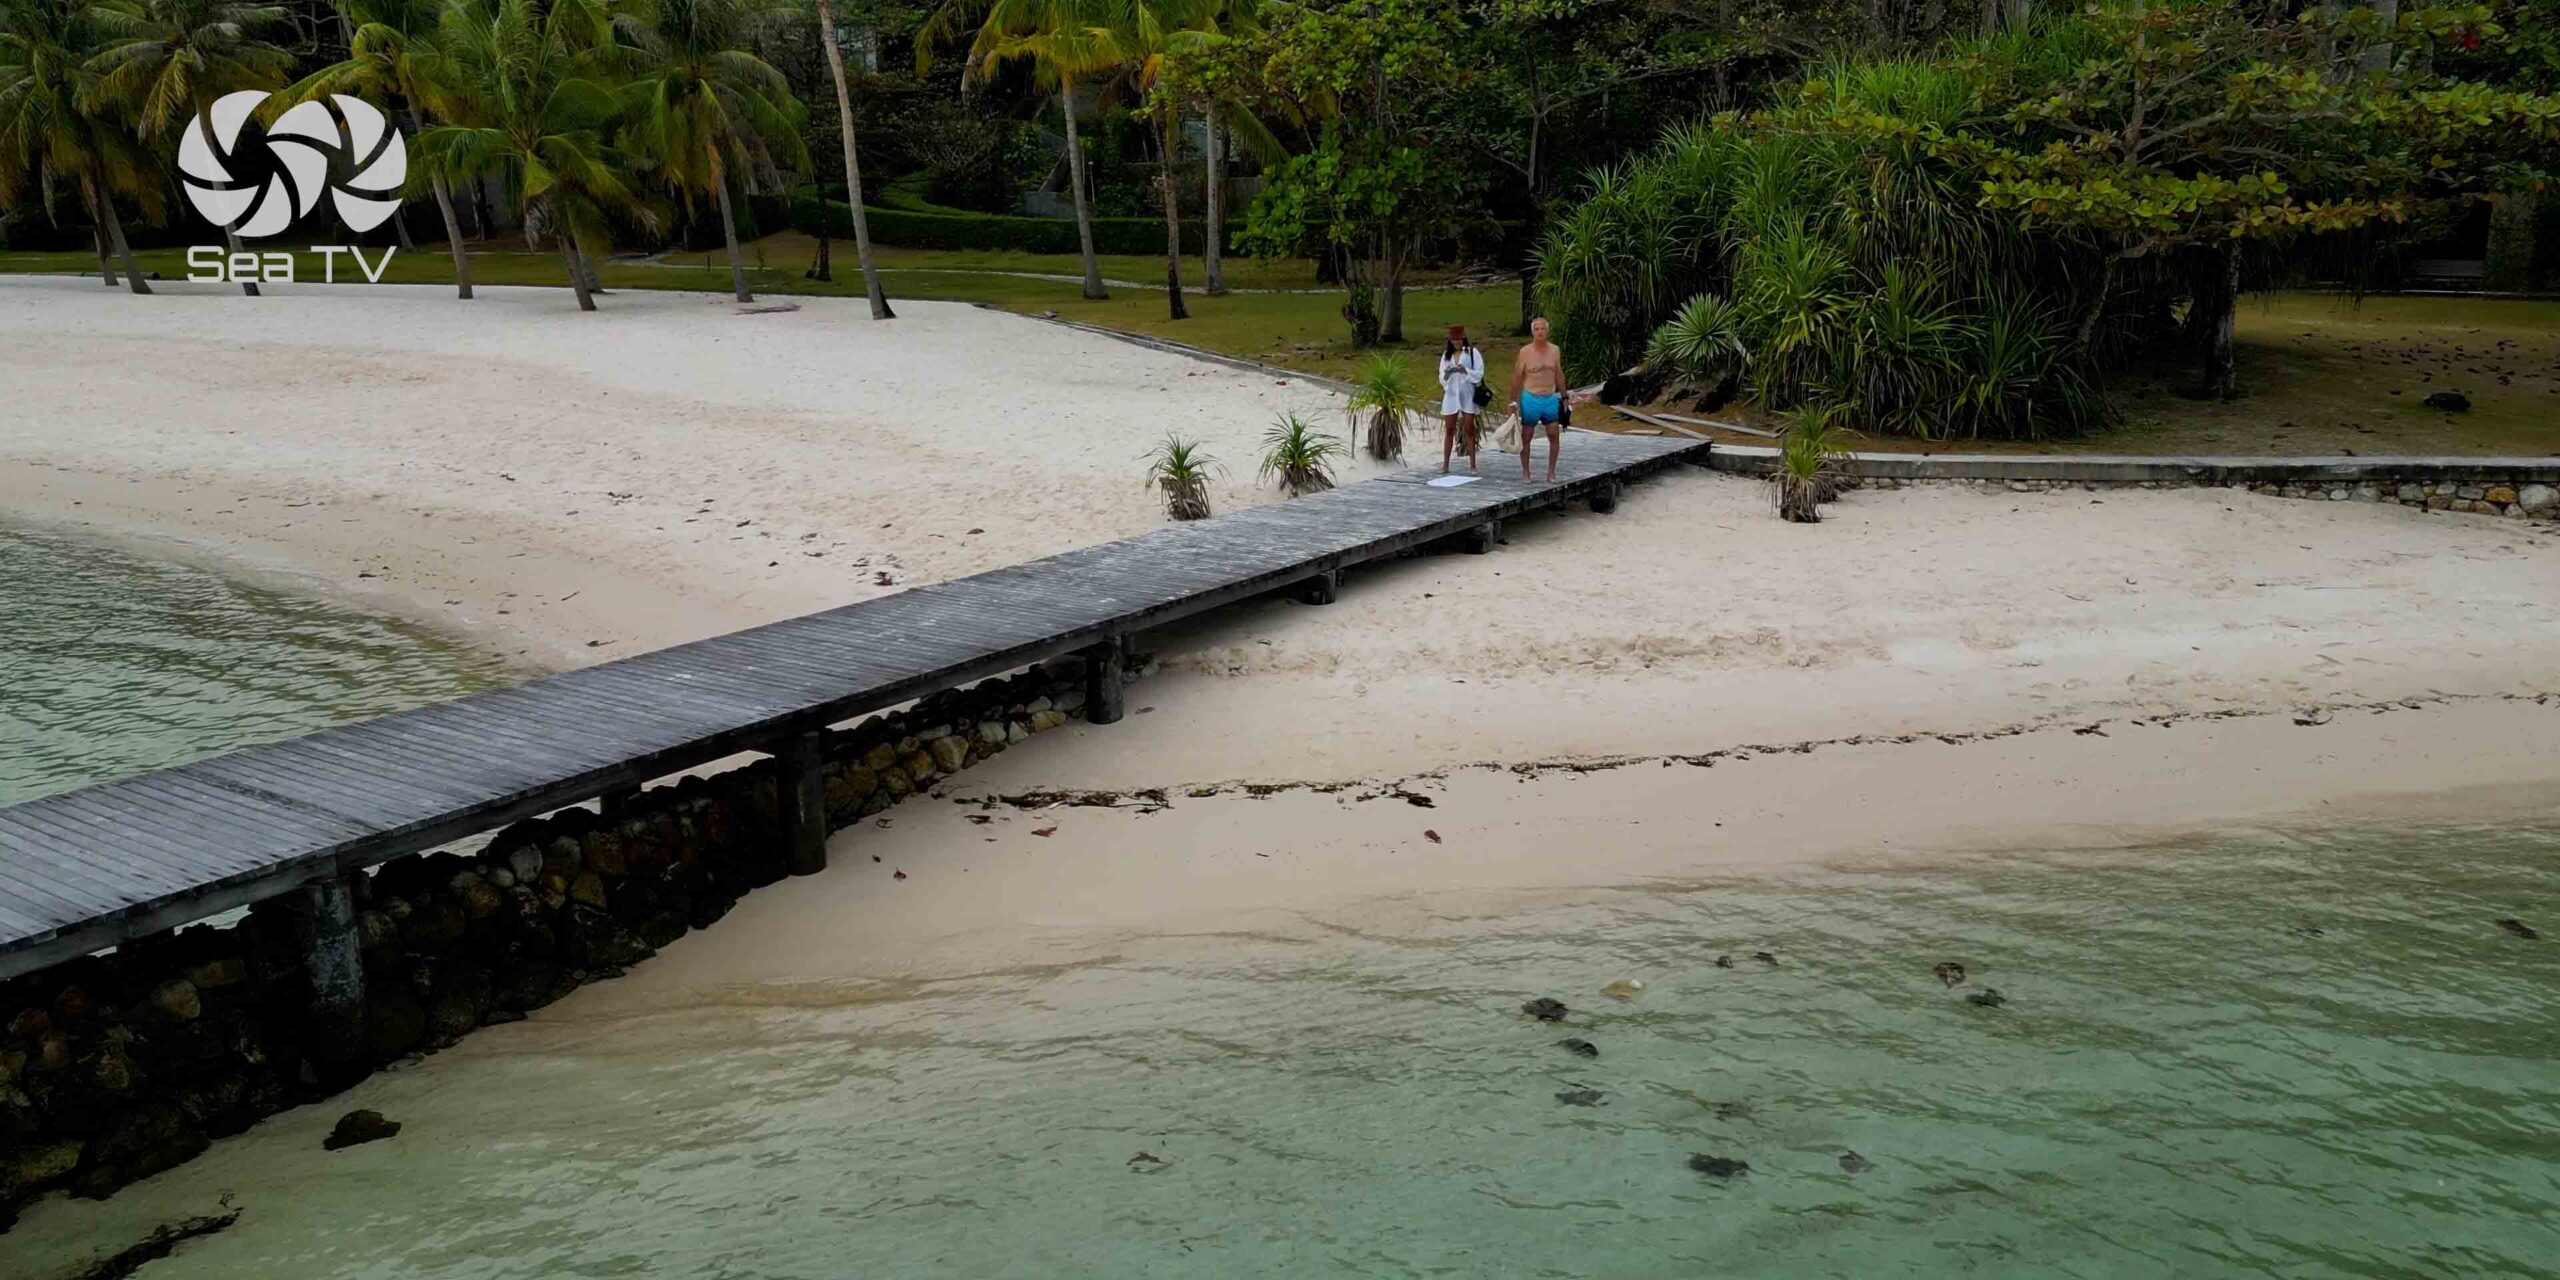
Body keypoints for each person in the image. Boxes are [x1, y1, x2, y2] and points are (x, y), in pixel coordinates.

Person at [1510, 316, 1567, 482]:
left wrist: (1564, 396)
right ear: (1532, 332)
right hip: (1530, 397)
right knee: (1527, 435)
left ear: (1547, 331)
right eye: (1537, 329)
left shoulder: (1555, 350)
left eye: (1543, 329)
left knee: (1553, 434)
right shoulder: (1525, 352)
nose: (1540, 332)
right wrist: (1512, 401)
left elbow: (1559, 374)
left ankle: (1551, 472)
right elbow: (1516, 376)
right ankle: (1526, 473)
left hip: (1549, 397)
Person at [1438, 324, 1485, 474]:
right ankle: (1445, 465)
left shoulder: (1472, 353)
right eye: (1454, 340)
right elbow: (1442, 378)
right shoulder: (1446, 356)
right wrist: (1448, 374)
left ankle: (1472, 465)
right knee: (1449, 430)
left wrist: (1466, 371)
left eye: (1459, 339)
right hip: (1451, 394)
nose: (1457, 342)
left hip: (1467, 394)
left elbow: (1479, 373)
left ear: (1463, 339)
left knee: (1469, 429)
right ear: (1450, 340)